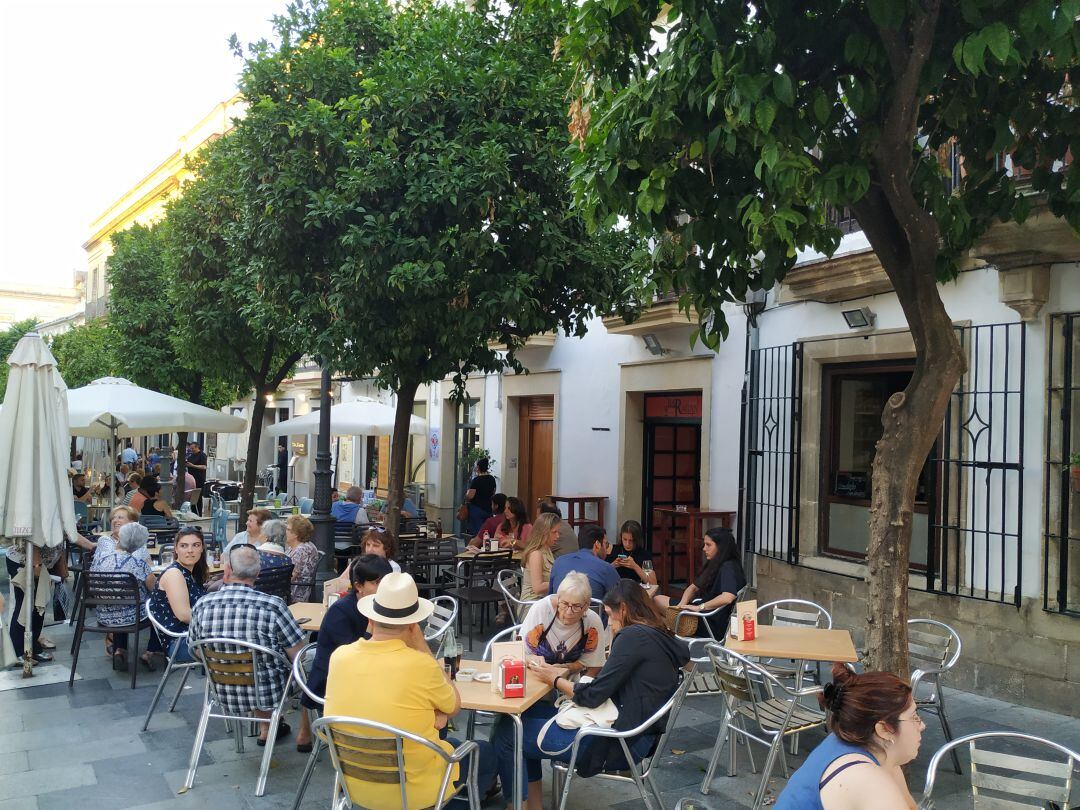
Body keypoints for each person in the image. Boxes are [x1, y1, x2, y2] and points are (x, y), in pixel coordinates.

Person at [496, 579, 691, 810]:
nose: (609, 622)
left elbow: (593, 695)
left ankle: (516, 806)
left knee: (509, 733)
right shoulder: (659, 634)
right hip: (639, 734)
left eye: (610, 614)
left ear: (624, 610)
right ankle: (532, 806)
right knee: (522, 716)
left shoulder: (631, 638)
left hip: (616, 742)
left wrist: (555, 679)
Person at [324, 572, 497, 807]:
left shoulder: (340, 657)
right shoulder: (421, 665)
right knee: (485, 753)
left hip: (354, 785)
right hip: (413, 792)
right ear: (413, 625)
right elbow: (454, 705)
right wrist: (421, 645)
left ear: (371, 619)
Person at [188, 544, 306, 745]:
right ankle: (305, 736)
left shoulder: (202, 604)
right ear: (258, 573)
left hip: (221, 690)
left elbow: (195, 650)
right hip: (268, 691)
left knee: (257, 666)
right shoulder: (273, 605)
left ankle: (267, 727)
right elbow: (299, 655)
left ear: (227, 570)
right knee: (310, 663)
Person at [775, 665, 924, 810]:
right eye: (914, 717)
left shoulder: (868, 746)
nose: (922, 725)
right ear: (884, 729)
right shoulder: (870, 782)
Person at [295, 554, 393, 751]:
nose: (382, 588)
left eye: (386, 583)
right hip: (334, 681)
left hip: (369, 674)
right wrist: (371, 630)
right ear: (359, 586)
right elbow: (353, 659)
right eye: (376, 583)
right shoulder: (341, 611)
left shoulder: (382, 607)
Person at [91, 522, 162, 671]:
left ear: (119, 538)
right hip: (132, 617)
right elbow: (156, 591)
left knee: (124, 603)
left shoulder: (99, 559)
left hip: (103, 615)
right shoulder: (138, 564)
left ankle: (120, 649)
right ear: (139, 546)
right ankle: (150, 652)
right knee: (159, 605)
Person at [654, 527, 746, 638]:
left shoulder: (728, 567)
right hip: (703, 615)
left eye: (708, 545)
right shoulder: (718, 563)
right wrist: (680, 606)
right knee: (657, 603)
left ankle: (669, 637)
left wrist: (700, 607)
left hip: (710, 622)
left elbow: (728, 597)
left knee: (656, 606)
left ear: (721, 547)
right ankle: (670, 635)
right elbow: (692, 588)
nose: (704, 548)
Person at [520, 572, 606, 675]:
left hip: (570, 684)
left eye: (576, 606)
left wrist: (568, 669)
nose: (569, 612)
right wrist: (531, 659)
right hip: (536, 677)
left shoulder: (592, 621)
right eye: (564, 604)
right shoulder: (541, 610)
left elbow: (595, 666)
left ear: (587, 606)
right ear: (558, 598)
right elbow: (518, 652)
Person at [148, 526, 208, 663]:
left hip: (193, 636)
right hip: (180, 642)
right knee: (238, 647)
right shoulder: (175, 574)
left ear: (202, 548)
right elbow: (184, 615)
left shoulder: (191, 573)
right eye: (184, 546)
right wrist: (216, 623)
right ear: (176, 549)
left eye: (196, 545)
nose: (190, 550)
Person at [5, 539, 62, 663]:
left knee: (38, 607)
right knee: (22, 606)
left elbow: (72, 534)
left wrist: (92, 545)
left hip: (41, 564)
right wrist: (37, 567)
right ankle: (17, 652)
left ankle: (33, 647)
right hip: (23, 562)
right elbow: (34, 539)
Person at [549, 524, 620, 603]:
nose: (606, 549)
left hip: (560, 613)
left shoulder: (559, 562)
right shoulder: (606, 568)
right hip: (593, 614)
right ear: (597, 545)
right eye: (605, 544)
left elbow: (551, 597)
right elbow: (619, 603)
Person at [519, 512, 560, 603]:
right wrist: (561, 581)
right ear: (544, 533)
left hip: (544, 600)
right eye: (554, 532)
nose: (558, 536)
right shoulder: (536, 554)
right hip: (532, 604)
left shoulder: (547, 549)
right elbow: (537, 588)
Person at [606, 519, 657, 587]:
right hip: (614, 589)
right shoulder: (611, 549)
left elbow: (653, 584)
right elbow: (600, 574)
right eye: (625, 539)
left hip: (634, 590)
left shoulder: (644, 555)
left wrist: (635, 566)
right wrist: (612, 566)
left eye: (631, 540)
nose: (627, 544)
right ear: (621, 537)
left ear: (637, 540)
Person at [285, 515, 320, 602]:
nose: (285, 532)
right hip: (291, 587)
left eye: (288, 529)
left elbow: (291, 576)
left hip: (296, 591)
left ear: (296, 534)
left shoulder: (302, 550)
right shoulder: (294, 547)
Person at [464, 456, 496, 534]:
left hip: (477, 509)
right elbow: (494, 492)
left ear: (478, 467)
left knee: (478, 533)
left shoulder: (476, 480)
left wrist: (466, 495)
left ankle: (476, 546)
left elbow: (470, 496)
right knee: (488, 531)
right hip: (488, 508)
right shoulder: (491, 479)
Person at [186, 441, 208, 515]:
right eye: (190, 448)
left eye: (193, 448)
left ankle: (198, 514)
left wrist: (193, 466)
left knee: (198, 497)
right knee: (192, 497)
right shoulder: (191, 456)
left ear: (197, 447)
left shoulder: (202, 455)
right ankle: (193, 512)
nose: (191, 450)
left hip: (199, 480)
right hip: (191, 480)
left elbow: (204, 467)